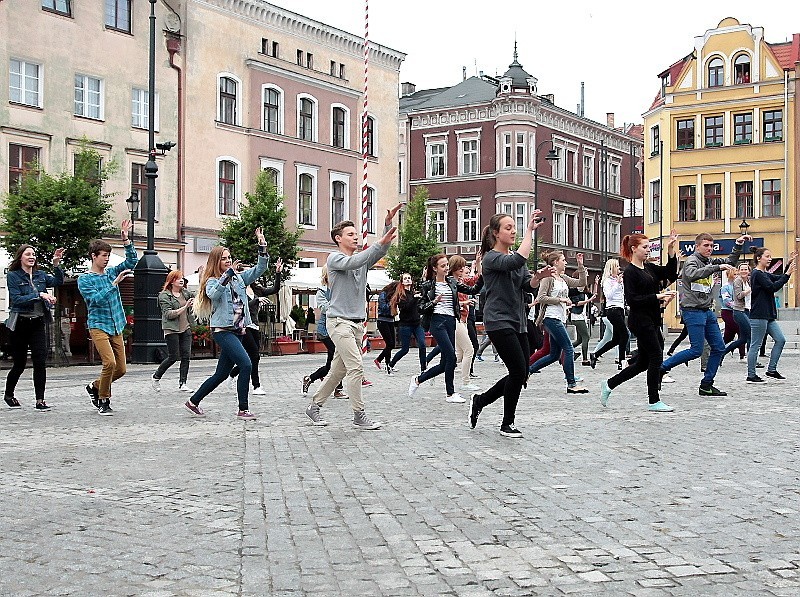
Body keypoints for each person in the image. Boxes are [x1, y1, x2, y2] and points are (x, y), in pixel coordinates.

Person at [305, 206, 401, 430]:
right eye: (350, 234)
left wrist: (387, 226)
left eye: (356, 234)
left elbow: (379, 252)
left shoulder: (361, 259)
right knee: (356, 367)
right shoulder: (335, 259)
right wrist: (376, 245)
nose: (356, 237)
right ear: (338, 239)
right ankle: (359, 415)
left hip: (357, 325)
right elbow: (356, 262)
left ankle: (314, 406)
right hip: (339, 323)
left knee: (337, 370)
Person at [467, 211, 553, 437]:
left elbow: (527, 284)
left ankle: (481, 400)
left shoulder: (514, 256)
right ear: (496, 233)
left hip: (519, 321)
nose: (513, 231)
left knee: (522, 374)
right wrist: (529, 232)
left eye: (515, 227)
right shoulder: (491, 259)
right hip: (498, 320)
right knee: (517, 371)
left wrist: (539, 277)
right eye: (508, 227)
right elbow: (516, 261)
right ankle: (507, 423)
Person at [183, 228, 269, 419]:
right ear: (216, 261)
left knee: (221, 374)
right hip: (223, 331)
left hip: (238, 330)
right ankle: (243, 409)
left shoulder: (239, 278)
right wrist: (227, 275)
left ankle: (193, 401)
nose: (228, 261)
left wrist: (262, 246)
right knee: (246, 364)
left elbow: (259, 269)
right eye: (224, 258)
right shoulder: (212, 281)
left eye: (229, 258)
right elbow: (213, 295)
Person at [659, 231, 749, 396]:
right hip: (692, 310)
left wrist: (738, 245)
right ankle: (662, 368)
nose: (709, 248)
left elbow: (729, 262)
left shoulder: (709, 260)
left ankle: (706, 384)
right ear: (697, 246)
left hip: (707, 311)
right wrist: (716, 267)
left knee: (719, 347)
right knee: (696, 350)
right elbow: (693, 275)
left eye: (711, 246)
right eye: (706, 245)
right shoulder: (692, 261)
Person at [600, 232, 679, 412]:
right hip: (640, 320)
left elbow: (670, 274)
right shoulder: (630, 272)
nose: (648, 250)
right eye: (644, 247)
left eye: (648, 247)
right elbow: (632, 299)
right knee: (656, 356)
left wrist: (670, 250)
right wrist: (657, 296)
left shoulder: (649, 268)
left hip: (651, 319)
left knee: (643, 362)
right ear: (634, 249)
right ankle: (654, 400)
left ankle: (609, 384)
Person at [79, 220, 138, 416]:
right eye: (103, 256)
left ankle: (95, 386)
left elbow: (131, 262)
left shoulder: (111, 271)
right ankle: (104, 400)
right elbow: (94, 300)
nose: (106, 259)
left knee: (121, 369)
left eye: (108, 256)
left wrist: (126, 241)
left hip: (116, 324)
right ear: (93, 256)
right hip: (98, 325)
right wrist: (113, 285)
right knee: (109, 363)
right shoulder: (85, 279)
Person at [407, 253, 483, 403]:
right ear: (435, 269)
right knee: (452, 357)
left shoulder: (452, 282)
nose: (446, 268)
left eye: (447, 265)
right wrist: (434, 301)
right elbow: (421, 308)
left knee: (445, 364)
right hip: (437, 322)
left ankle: (418, 379)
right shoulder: (428, 285)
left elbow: (473, 289)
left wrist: (479, 267)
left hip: (451, 321)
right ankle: (450, 393)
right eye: (443, 266)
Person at [3, 244, 65, 411]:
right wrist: (40, 295)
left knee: (40, 362)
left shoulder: (41, 275)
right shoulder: (13, 276)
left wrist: (57, 264)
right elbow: (16, 300)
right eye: (28, 254)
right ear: (20, 257)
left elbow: (59, 281)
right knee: (19, 364)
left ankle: (40, 400)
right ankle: (9, 394)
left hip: (37, 323)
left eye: (34, 254)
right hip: (20, 324)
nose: (32, 257)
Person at [528, 250, 588, 393]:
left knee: (554, 354)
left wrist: (580, 266)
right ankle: (571, 384)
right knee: (568, 348)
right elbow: (541, 297)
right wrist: (560, 299)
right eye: (563, 260)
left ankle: (528, 371)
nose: (565, 262)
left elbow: (581, 283)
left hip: (560, 318)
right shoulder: (548, 278)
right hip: (550, 318)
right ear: (555, 262)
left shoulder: (563, 278)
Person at [227, 258, 283, 395]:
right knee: (255, 356)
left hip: (255, 325)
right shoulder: (237, 289)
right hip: (243, 325)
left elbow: (274, 289)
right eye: (245, 272)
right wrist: (256, 300)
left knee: (251, 356)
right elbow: (241, 305)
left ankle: (233, 373)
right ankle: (256, 386)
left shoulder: (256, 289)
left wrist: (277, 273)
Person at [745, 248, 796, 383]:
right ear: (758, 258)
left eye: (770, 256)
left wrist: (787, 267)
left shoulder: (764, 273)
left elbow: (778, 278)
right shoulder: (757, 274)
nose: (769, 259)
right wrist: (788, 274)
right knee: (755, 345)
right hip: (759, 314)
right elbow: (772, 287)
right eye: (767, 256)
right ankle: (751, 374)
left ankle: (771, 370)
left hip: (768, 315)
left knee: (780, 340)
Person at [302, 267, 346, 398]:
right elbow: (324, 308)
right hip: (326, 330)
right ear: (327, 275)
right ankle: (338, 389)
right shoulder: (321, 291)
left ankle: (310, 378)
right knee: (337, 358)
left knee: (334, 361)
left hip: (339, 328)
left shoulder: (341, 289)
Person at [152, 270, 196, 393]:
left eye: (182, 278)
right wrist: (185, 307)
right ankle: (156, 376)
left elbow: (197, 297)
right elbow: (168, 314)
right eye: (178, 278)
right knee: (173, 357)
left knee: (186, 355)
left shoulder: (185, 293)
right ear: (171, 281)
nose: (181, 280)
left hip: (185, 327)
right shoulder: (164, 296)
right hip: (171, 328)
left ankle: (183, 383)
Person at [450, 254, 482, 392]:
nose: (463, 269)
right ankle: (466, 381)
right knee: (469, 350)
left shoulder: (460, 281)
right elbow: (450, 303)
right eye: (461, 267)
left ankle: (431, 373)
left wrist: (478, 263)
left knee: (458, 355)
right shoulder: (450, 282)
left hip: (462, 320)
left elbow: (477, 279)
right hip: (455, 320)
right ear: (455, 268)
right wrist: (465, 302)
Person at [589, 259, 628, 369]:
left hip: (620, 309)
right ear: (611, 269)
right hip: (612, 310)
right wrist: (617, 284)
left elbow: (623, 294)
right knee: (625, 335)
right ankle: (622, 361)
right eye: (617, 267)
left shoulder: (618, 280)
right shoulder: (607, 281)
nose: (619, 269)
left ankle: (595, 354)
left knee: (616, 339)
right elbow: (609, 295)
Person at [388, 273, 427, 374]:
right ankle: (391, 364)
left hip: (417, 323)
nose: (408, 280)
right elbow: (405, 307)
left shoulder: (414, 293)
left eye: (409, 278)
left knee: (422, 345)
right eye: (405, 279)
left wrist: (423, 278)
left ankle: (423, 368)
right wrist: (414, 298)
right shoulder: (401, 295)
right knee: (405, 349)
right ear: (402, 282)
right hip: (405, 325)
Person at [723, 263, 752, 360]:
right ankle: (751, 359)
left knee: (742, 338)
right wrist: (749, 291)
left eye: (746, 269)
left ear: (749, 271)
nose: (744, 271)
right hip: (739, 311)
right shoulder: (738, 281)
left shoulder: (748, 281)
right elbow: (739, 295)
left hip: (747, 310)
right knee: (750, 333)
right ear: (739, 271)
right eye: (742, 269)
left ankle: (722, 353)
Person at [719, 269, 745, 360]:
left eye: (737, 274)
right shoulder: (725, 287)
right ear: (729, 275)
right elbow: (726, 301)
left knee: (728, 336)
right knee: (741, 331)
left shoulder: (738, 286)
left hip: (737, 311)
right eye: (735, 274)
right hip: (728, 312)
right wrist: (737, 305)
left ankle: (718, 351)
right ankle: (742, 355)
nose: (737, 276)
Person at [373, 281, 398, 371]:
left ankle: (386, 363)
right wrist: (393, 301)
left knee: (391, 344)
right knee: (390, 343)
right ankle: (384, 362)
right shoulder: (383, 294)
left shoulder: (395, 296)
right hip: (383, 320)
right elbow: (383, 307)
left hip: (391, 320)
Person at [569, 282, 595, 366]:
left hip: (581, 317)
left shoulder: (585, 292)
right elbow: (576, 304)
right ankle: (584, 359)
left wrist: (596, 283)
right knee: (586, 336)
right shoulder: (575, 292)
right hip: (577, 317)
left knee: (580, 339)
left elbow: (593, 296)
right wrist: (588, 300)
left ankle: (565, 351)